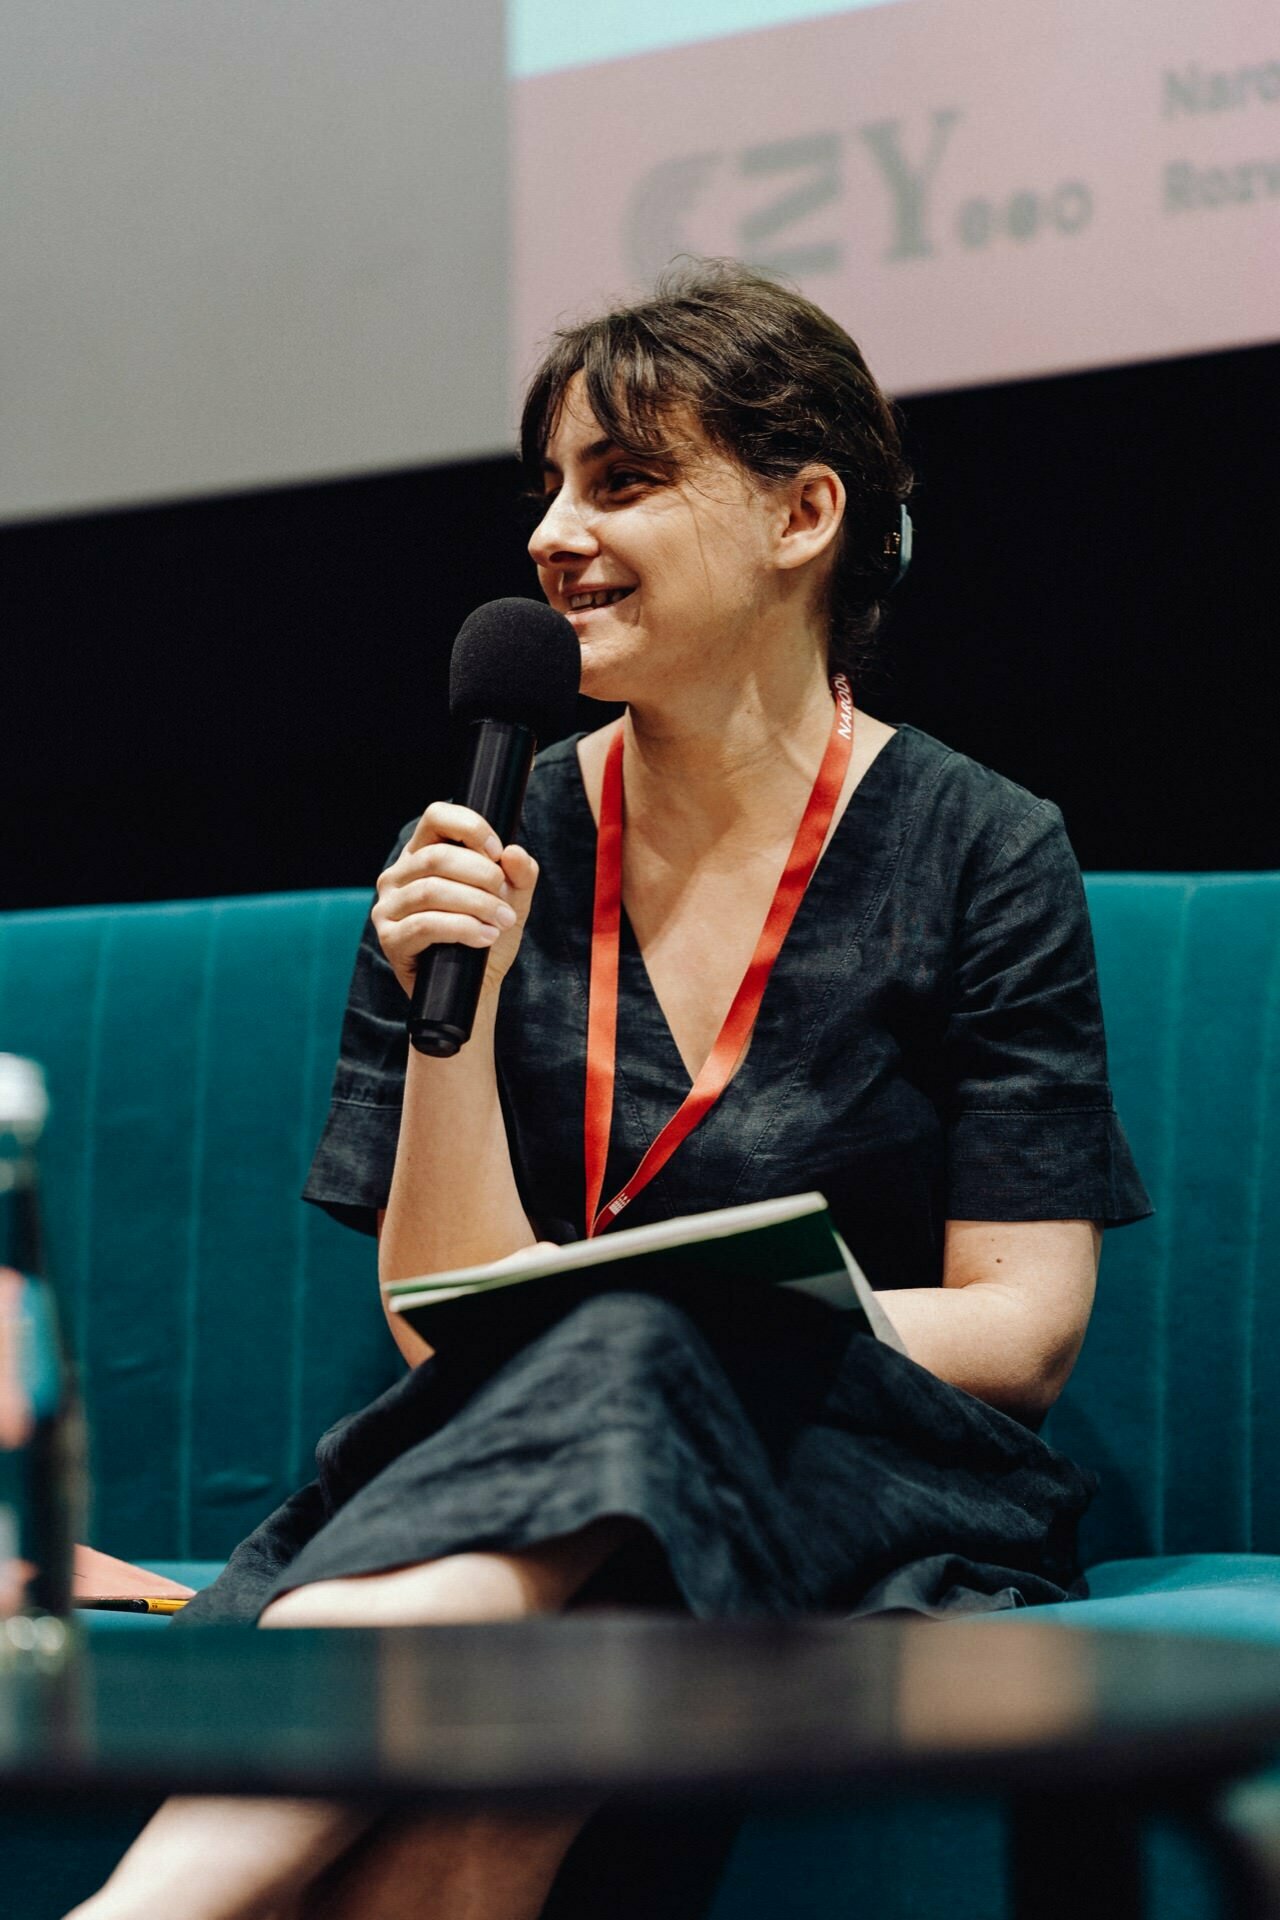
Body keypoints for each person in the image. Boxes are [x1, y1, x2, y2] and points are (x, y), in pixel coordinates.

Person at [68, 260, 1151, 1920]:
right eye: (551, 487)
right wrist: (464, 1002)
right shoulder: (477, 858)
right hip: (540, 1488)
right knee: (498, 1787)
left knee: (642, 1345)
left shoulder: (981, 846)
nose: (552, 533)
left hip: (875, 1484)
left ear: (803, 514)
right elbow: (442, 1319)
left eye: (623, 481)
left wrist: (716, 1320)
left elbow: (1023, 1329)